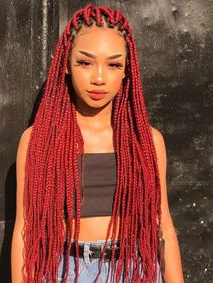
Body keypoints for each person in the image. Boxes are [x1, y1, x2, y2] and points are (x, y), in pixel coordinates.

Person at [11, 4, 184, 283]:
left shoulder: (146, 141)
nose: (99, 77)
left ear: (127, 71)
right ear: (66, 65)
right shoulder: (38, 140)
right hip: (64, 271)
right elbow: (25, 229)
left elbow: (162, 225)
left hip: (134, 269)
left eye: (114, 64)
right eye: (85, 62)